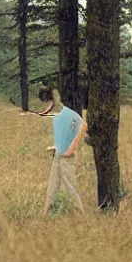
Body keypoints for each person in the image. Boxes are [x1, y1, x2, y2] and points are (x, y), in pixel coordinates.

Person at [38, 87, 87, 215]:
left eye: (48, 103)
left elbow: (83, 126)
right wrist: (55, 146)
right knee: (52, 186)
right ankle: (45, 214)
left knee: (70, 187)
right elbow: (63, 135)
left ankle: (81, 215)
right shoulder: (56, 117)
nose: (46, 107)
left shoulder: (68, 113)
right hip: (58, 156)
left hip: (67, 158)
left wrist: (71, 148)